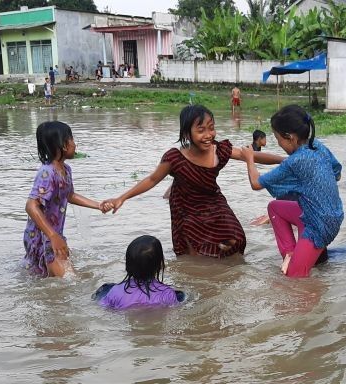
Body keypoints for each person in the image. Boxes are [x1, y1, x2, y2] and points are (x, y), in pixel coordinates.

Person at [102, 105, 283, 258]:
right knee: (194, 253)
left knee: (236, 239)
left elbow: (252, 155)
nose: (208, 135)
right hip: (185, 208)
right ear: (187, 134)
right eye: (200, 130)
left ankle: (223, 273)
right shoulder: (174, 158)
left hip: (214, 201)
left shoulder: (218, 150)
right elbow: (152, 179)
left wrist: (284, 160)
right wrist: (122, 197)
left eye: (211, 128)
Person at [240, 105, 344, 278]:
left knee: (295, 282)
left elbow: (256, 183)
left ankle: (294, 263)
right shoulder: (317, 146)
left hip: (320, 225)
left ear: (290, 137)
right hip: (333, 214)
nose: (279, 144)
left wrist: (249, 158)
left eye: (278, 139)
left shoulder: (294, 163)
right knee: (275, 208)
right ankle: (290, 253)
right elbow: (337, 174)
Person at [23, 121, 107, 277]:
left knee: (58, 277)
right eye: (72, 139)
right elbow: (31, 206)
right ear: (62, 145)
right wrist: (53, 236)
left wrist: (98, 205)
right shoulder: (47, 173)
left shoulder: (66, 170)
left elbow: (69, 195)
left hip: (54, 233)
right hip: (43, 235)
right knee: (70, 279)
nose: (75, 144)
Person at [93, 235, 185, 309]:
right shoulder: (168, 294)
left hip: (128, 326)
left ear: (128, 265)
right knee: (182, 296)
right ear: (160, 265)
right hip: (155, 328)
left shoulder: (115, 292)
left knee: (105, 288)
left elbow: (103, 309)